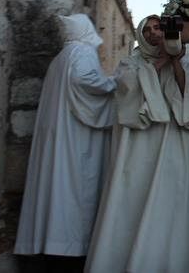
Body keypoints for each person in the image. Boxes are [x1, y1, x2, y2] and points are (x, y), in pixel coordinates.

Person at [84, 15, 189, 273]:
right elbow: (126, 91)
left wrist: (176, 61)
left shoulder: (185, 60)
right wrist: (162, 60)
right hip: (142, 144)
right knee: (136, 196)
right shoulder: (131, 62)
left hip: (176, 139)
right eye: (149, 29)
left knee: (173, 197)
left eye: (159, 28)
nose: (154, 33)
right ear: (141, 34)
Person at [14, 14, 116, 271]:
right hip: (75, 137)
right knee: (74, 192)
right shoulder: (81, 53)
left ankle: (51, 245)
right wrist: (117, 83)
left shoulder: (61, 57)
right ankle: (68, 248)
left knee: (56, 190)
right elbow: (87, 82)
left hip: (60, 134)